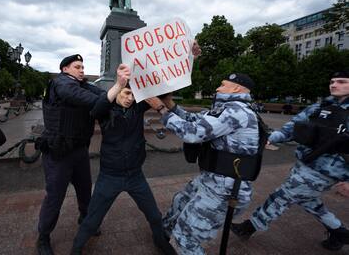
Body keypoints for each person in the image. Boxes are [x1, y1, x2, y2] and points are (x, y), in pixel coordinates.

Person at [231, 71, 349, 251]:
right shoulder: (321, 106)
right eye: (332, 81)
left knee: (282, 196)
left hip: (328, 171)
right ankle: (340, 233)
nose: (334, 85)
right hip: (306, 163)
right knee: (309, 201)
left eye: (341, 82)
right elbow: (294, 126)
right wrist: (271, 138)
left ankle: (249, 227)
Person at [145, 73, 261, 255]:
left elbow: (193, 133)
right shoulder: (228, 108)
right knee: (180, 201)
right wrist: (169, 103)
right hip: (213, 180)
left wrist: (160, 108)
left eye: (222, 85)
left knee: (186, 238)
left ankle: (179, 244)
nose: (217, 88)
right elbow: (194, 120)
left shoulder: (236, 111)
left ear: (236, 88)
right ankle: (163, 238)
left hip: (225, 189)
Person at [36, 54, 131, 255]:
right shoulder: (59, 84)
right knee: (55, 197)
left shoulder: (82, 85)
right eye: (77, 66)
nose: (81, 70)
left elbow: (101, 93)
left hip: (79, 150)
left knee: (85, 189)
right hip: (58, 152)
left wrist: (120, 86)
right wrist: (109, 97)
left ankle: (84, 219)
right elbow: (79, 96)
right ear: (65, 69)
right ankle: (43, 236)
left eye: (83, 66)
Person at [70, 83, 176, 255]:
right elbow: (96, 110)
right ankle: (76, 248)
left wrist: (188, 58)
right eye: (126, 93)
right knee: (91, 220)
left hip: (135, 176)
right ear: (117, 92)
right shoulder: (105, 111)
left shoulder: (137, 107)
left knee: (155, 216)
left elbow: (162, 92)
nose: (129, 98)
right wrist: (119, 83)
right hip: (110, 177)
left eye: (133, 95)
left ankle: (160, 241)